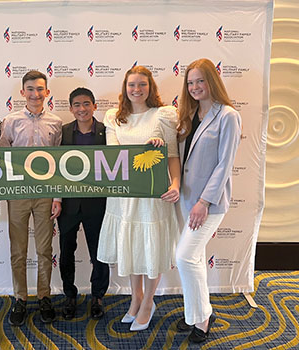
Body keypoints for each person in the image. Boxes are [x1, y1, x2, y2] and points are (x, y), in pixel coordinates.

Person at [97, 66, 181, 331]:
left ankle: (148, 303)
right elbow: (114, 156)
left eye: (142, 84)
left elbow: (172, 156)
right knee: (132, 246)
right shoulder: (114, 118)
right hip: (123, 195)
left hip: (153, 195)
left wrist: (176, 184)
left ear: (150, 87)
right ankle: (136, 299)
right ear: (125, 87)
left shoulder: (163, 116)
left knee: (150, 247)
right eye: (131, 85)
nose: (136, 89)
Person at [174, 58, 241, 343]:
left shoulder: (227, 116)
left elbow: (224, 165)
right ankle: (197, 312)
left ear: (212, 81)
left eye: (200, 80)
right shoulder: (189, 116)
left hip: (208, 203)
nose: (194, 87)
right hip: (187, 199)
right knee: (196, 258)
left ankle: (201, 319)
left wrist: (204, 202)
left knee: (185, 256)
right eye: (190, 82)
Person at [0, 70, 62, 326]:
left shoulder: (56, 122)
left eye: (40, 89)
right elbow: (1, 159)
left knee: (45, 250)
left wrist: (58, 197)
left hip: (46, 195)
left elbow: (60, 164)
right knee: (18, 251)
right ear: (22, 92)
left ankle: (44, 296)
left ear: (47, 92)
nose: (35, 94)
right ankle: (20, 299)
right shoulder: (10, 121)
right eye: (30, 89)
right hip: (17, 195)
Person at [57, 87, 110, 320]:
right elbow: (55, 168)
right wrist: (56, 199)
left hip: (97, 203)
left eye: (86, 103)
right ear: (70, 108)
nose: (82, 108)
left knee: (99, 251)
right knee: (66, 251)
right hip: (68, 203)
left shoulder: (106, 133)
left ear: (95, 106)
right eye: (76, 104)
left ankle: (98, 296)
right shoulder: (63, 132)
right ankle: (70, 295)